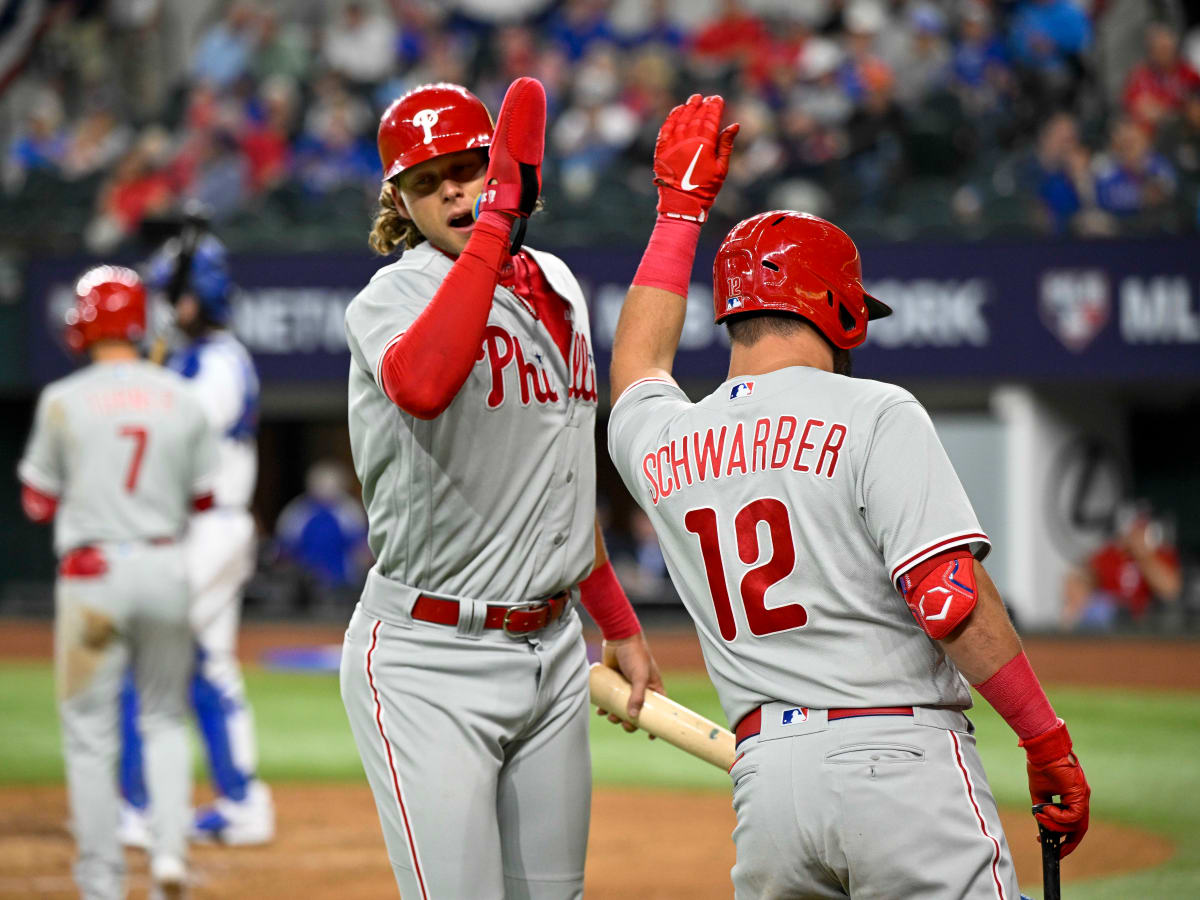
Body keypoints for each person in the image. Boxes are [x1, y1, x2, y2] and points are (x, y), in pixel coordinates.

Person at [607, 94, 1091, 898]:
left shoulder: (664, 438)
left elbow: (636, 366)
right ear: (837, 308)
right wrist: (1046, 741)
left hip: (765, 791)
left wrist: (677, 212)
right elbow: (950, 600)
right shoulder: (875, 411)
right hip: (901, 768)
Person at [339, 78, 662, 898]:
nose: (452, 187)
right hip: (427, 654)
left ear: (501, 165)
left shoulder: (557, 284)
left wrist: (616, 622)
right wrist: (495, 221)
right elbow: (422, 382)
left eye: (470, 166)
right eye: (425, 179)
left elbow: (555, 489)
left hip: (553, 650)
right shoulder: (391, 299)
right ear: (400, 204)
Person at [18, 266, 217, 899]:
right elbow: (206, 496)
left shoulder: (62, 400)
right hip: (164, 566)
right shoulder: (182, 398)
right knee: (162, 718)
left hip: (92, 573)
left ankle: (102, 882)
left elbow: (36, 503)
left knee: (90, 738)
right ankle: (168, 857)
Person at [118, 233, 274, 847]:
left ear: (188, 304)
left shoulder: (220, 362)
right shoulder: (192, 357)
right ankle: (243, 806)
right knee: (209, 665)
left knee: (144, 652)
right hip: (199, 527)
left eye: (169, 297)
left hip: (211, 526)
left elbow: (172, 431)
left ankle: (137, 807)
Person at [1062, 501, 1183, 631]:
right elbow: (1079, 580)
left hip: (1148, 626)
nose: (1135, 531)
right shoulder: (1107, 554)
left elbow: (1171, 590)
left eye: (1140, 526)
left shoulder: (1160, 554)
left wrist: (1143, 555)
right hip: (1111, 628)